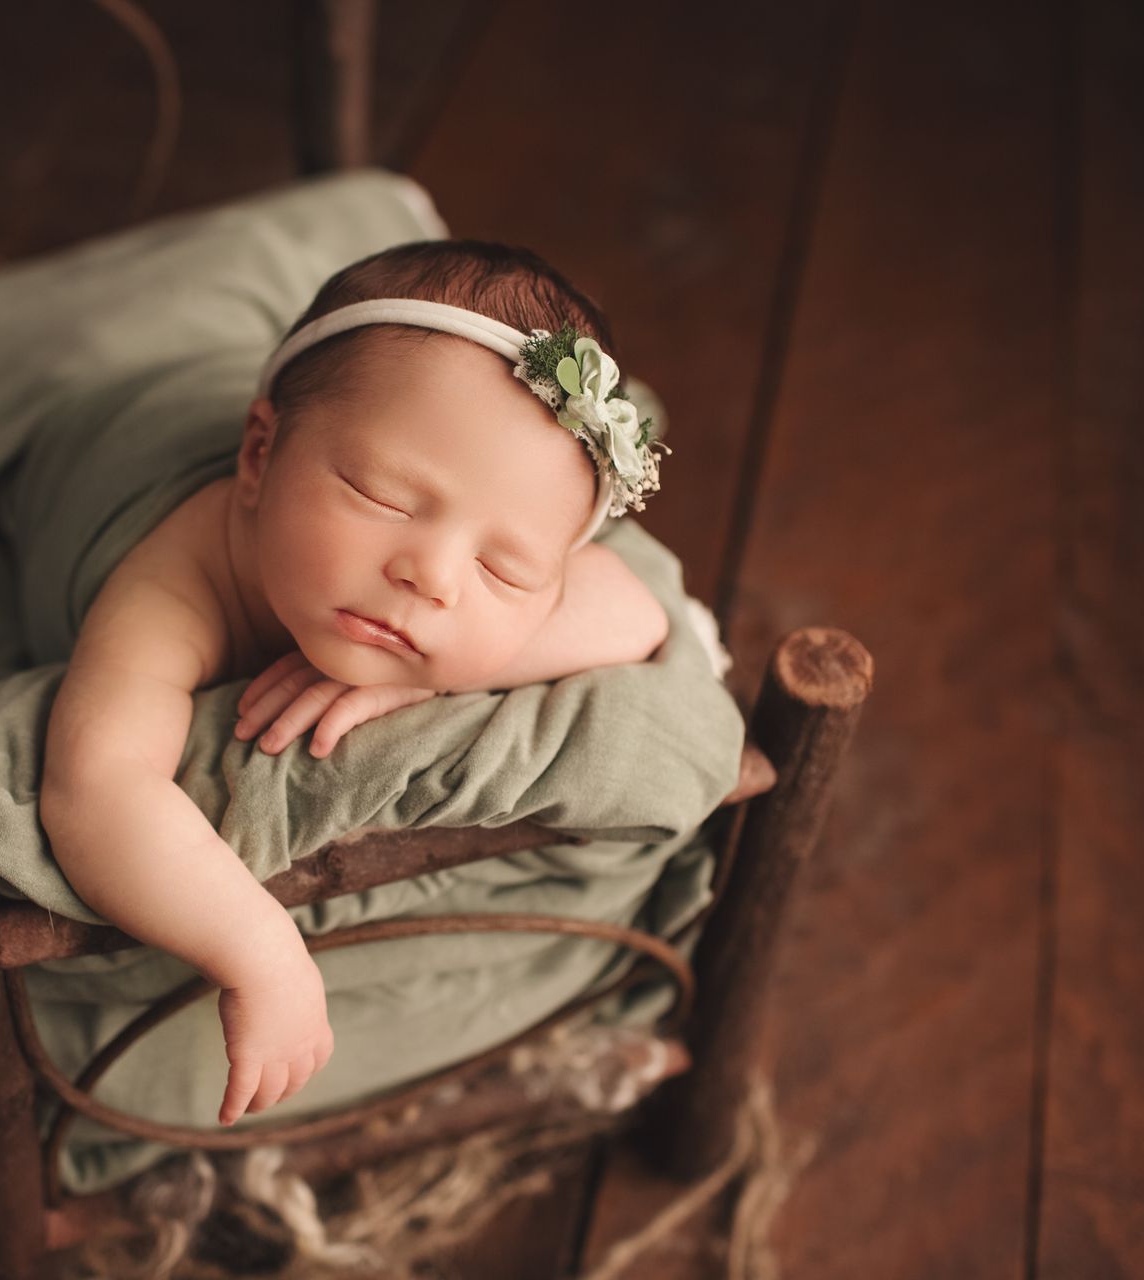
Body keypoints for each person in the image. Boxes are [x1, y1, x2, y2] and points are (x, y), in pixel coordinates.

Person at [37, 239, 681, 1132]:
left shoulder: (459, 585)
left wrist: (430, 677)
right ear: (259, 456)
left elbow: (640, 613)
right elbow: (95, 786)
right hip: (101, 441)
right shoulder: (176, 581)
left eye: (506, 569)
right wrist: (261, 950)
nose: (435, 579)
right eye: (385, 497)